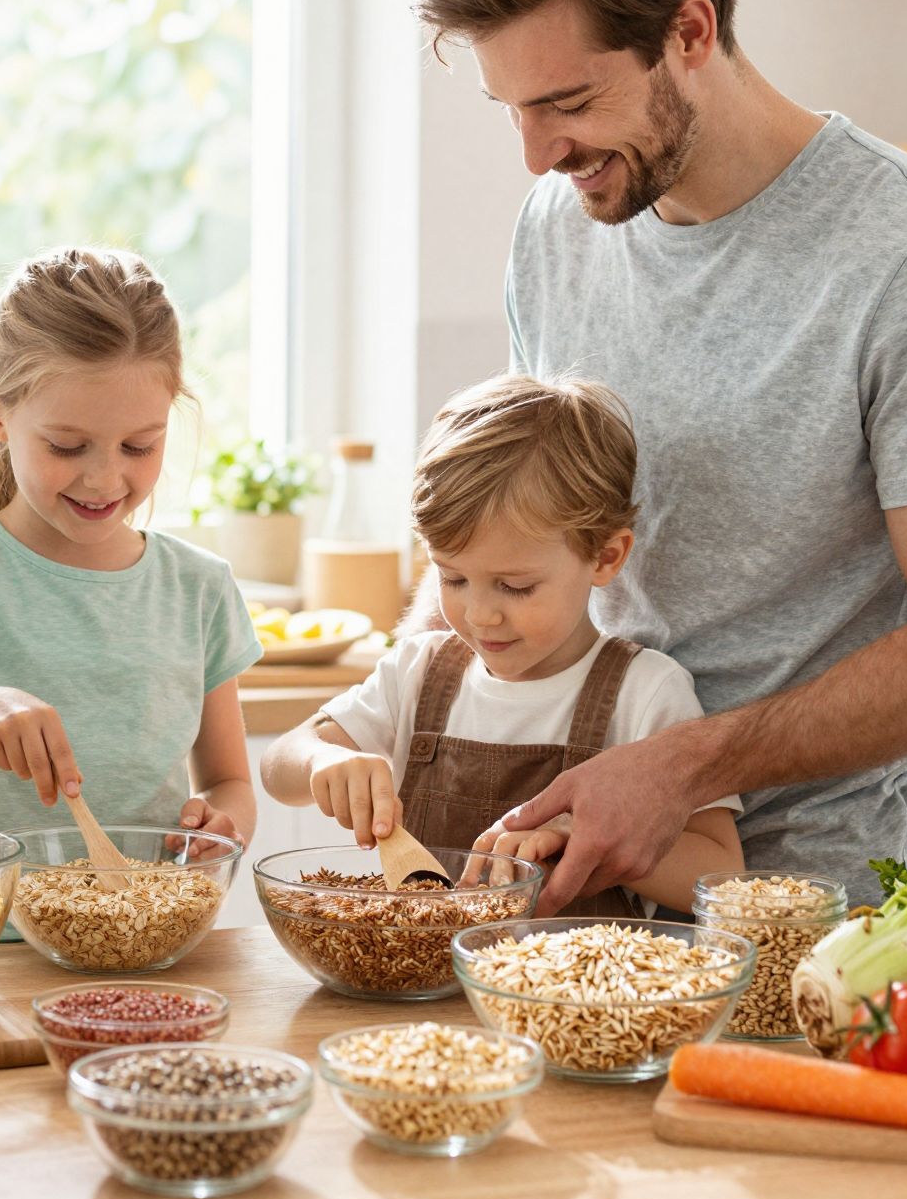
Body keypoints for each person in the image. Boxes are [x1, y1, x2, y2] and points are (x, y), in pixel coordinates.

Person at [413, 0, 907, 912]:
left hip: (808, 915)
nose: (535, 156)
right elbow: (523, 524)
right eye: (509, 109)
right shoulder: (557, 227)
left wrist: (679, 768)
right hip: (572, 889)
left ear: (690, 33)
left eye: (566, 99)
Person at [261, 374, 742, 915]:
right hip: (422, 993)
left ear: (605, 557)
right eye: (453, 578)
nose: (478, 613)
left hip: (576, 995)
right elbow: (280, 766)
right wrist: (321, 760)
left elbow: (724, 879)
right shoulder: (419, 673)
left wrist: (589, 832)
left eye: (515, 586)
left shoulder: (647, 693)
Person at [0, 247, 260, 845]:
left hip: (147, 932)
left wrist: (223, 825)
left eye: (139, 446)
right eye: (67, 446)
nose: (103, 478)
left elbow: (230, 783)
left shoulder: (198, 587)